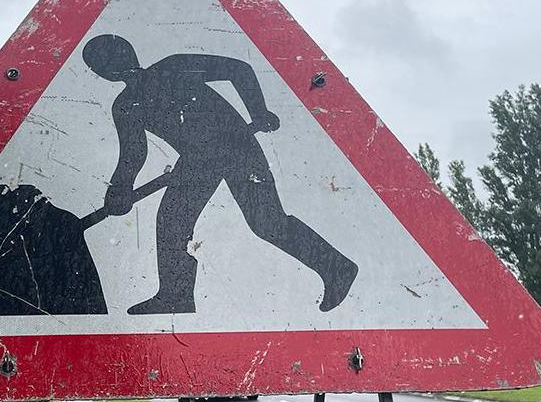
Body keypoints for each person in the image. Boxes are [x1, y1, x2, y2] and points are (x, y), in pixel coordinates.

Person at [83, 34, 358, 315]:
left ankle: (338, 268)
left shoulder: (173, 67)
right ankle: (175, 296)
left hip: (236, 144)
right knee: (170, 222)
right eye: (98, 65)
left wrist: (258, 111)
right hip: (196, 161)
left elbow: (239, 70)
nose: (105, 68)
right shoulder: (126, 105)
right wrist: (120, 188)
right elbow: (134, 153)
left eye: (102, 62)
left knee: (266, 222)